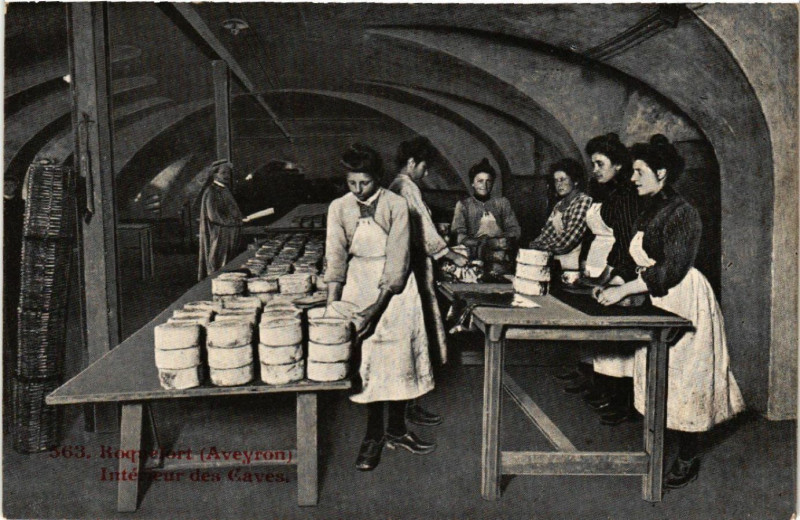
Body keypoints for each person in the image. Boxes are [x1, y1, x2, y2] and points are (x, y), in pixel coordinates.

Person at [594, 134, 745, 488]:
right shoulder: (649, 207)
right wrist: (615, 282)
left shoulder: (683, 213)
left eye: (639, 171)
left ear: (661, 173)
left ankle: (688, 454)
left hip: (684, 298)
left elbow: (671, 269)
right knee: (657, 372)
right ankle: (659, 446)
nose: (632, 178)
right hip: (656, 298)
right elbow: (636, 258)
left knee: (683, 377)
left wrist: (624, 291)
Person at [325, 143, 435, 472]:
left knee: (398, 361)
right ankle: (373, 437)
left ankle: (397, 431)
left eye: (366, 183)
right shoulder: (339, 208)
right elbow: (336, 258)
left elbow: (398, 262)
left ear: (378, 178)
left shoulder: (396, 205)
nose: (358, 190)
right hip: (359, 284)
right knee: (369, 364)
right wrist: (333, 305)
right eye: (352, 183)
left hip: (395, 290)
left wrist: (376, 309)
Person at [563, 134, 643, 426]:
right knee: (601, 335)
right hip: (600, 264)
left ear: (618, 166)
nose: (595, 169)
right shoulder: (605, 193)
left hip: (618, 268)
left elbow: (623, 242)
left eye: (600, 163)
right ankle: (606, 390)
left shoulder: (623, 198)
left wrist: (611, 276)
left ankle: (624, 402)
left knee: (618, 339)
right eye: (593, 163)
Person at [389, 136, 468, 426]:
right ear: (412, 163)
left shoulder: (398, 185)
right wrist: (450, 255)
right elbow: (422, 228)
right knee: (414, 340)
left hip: (412, 266)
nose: (426, 173)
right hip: (413, 270)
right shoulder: (406, 187)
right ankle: (406, 409)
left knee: (415, 341)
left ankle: (411, 405)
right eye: (424, 167)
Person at [529, 158, 592, 271]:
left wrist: (539, 246)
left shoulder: (583, 201)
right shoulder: (559, 205)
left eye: (562, 179)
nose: (559, 184)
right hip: (553, 262)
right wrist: (537, 244)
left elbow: (567, 243)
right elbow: (545, 233)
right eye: (556, 180)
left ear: (575, 181)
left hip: (572, 265)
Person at [451, 158, 521, 258]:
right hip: (473, 254)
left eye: (488, 181)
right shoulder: (463, 205)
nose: (484, 185)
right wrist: (485, 242)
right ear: (472, 183)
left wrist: (505, 239)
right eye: (480, 181)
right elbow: (459, 236)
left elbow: (515, 230)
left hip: (500, 254)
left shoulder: (502, 203)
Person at [197, 159, 243, 280]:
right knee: (219, 264)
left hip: (228, 233)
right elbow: (213, 216)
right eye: (223, 173)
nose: (227, 176)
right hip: (219, 235)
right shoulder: (212, 191)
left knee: (227, 263)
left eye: (228, 173)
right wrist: (234, 221)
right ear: (215, 174)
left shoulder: (224, 189)